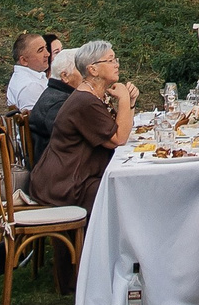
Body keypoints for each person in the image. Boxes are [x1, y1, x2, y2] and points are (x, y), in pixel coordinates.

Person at [25, 38, 135, 211]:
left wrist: (130, 103)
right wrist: (124, 99)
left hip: (73, 178)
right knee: (127, 192)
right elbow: (119, 138)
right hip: (65, 185)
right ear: (93, 69)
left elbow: (117, 131)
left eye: (116, 60)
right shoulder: (85, 101)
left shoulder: (88, 96)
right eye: (111, 60)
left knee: (125, 186)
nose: (116, 64)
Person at [7, 31, 52, 115]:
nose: (48, 54)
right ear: (24, 60)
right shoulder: (30, 86)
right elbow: (36, 122)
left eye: (46, 48)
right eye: (40, 50)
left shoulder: (27, 76)